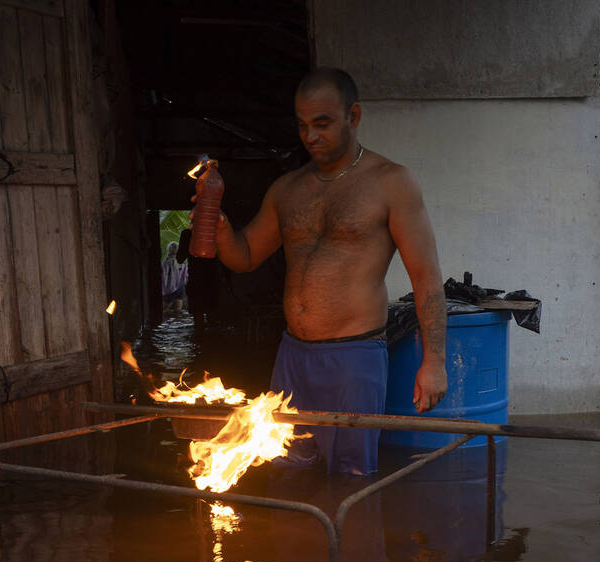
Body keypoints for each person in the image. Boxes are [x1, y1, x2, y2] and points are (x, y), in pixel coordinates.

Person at [195, 67, 447, 475]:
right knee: (284, 470)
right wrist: (220, 228)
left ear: (355, 116)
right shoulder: (287, 189)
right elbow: (244, 257)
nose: (310, 136)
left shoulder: (391, 183)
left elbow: (427, 277)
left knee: (350, 477)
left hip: (353, 358)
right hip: (292, 355)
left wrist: (434, 361)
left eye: (323, 123)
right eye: (302, 125)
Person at [160, 241, 187, 316]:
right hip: (179, 286)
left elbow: (164, 275)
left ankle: (168, 315)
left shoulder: (166, 262)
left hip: (170, 287)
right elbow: (186, 275)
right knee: (177, 309)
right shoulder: (182, 262)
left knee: (165, 309)